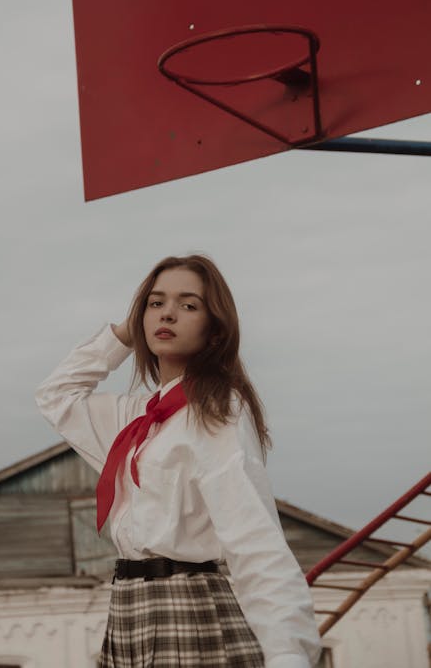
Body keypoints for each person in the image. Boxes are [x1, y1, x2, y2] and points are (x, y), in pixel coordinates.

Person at [35, 254, 322, 667]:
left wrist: (287, 653)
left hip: (189, 607)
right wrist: (122, 335)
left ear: (214, 331)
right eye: (155, 303)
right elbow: (55, 395)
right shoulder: (133, 415)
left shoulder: (217, 410)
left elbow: (253, 535)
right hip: (128, 612)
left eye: (188, 305)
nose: (167, 313)